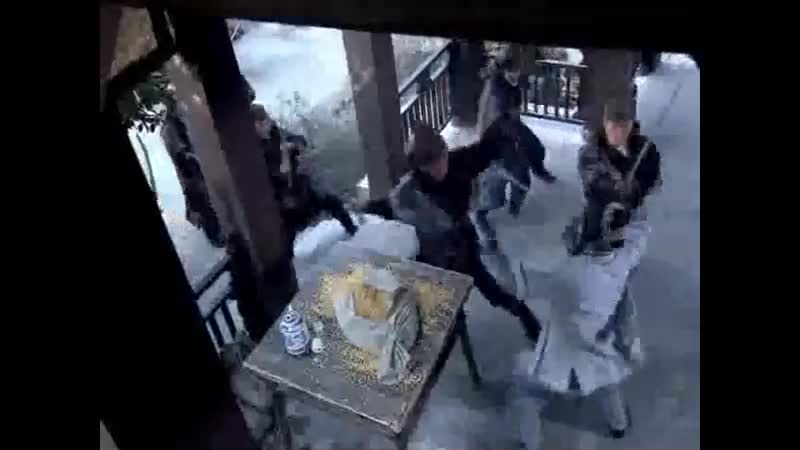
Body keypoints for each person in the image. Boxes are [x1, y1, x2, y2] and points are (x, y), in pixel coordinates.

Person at [359, 120, 542, 343]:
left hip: (461, 241)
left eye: (441, 159)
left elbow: (487, 147)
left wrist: (512, 134)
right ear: (419, 167)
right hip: (432, 253)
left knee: (487, 286)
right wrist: (358, 213)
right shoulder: (409, 191)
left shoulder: (459, 162)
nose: (438, 168)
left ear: (446, 152)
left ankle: (522, 312)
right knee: (440, 302)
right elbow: (384, 206)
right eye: (429, 166)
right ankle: (451, 324)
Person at [510, 200, 648, 449]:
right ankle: (618, 425)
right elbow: (638, 237)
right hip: (604, 355)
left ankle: (531, 442)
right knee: (607, 384)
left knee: (524, 391)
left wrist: (517, 262)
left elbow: (525, 290)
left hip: (566, 363)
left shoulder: (568, 273)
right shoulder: (623, 262)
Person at [474, 56, 557, 249]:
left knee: (531, 155)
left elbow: (514, 117)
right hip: (496, 139)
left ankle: (518, 198)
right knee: (496, 190)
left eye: (517, 71)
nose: (516, 75)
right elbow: (491, 121)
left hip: (511, 133)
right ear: (503, 72)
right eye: (512, 72)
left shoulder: (511, 87)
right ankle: (480, 214)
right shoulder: (496, 93)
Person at [249, 102, 358, 241]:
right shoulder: (257, 150)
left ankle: (352, 229)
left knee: (332, 201)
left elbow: (300, 140)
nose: (265, 126)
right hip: (284, 197)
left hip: (300, 186)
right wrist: (284, 154)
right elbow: (280, 175)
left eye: (265, 121)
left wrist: (294, 144)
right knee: (288, 233)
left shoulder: (275, 132)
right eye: (260, 124)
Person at [576, 98, 661, 252]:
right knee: (593, 225)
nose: (619, 131)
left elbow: (651, 177)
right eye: (614, 125)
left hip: (631, 209)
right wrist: (615, 188)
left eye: (625, 125)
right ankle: (588, 241)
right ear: (604, 123)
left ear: (632, 124)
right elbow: (592, 180)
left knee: (623, 242)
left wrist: (635, 189)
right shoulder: (591, 150)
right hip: (599, 205)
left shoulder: (645, 148)